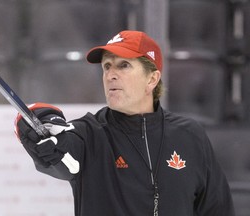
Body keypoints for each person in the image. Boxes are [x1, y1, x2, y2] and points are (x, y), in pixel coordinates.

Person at [15, 30, 235, 216]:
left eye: (123, 66)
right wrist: (39, 124)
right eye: (107, 66)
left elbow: (217, 208)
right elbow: (57, 155)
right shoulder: (88, 133)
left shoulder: (190, 135)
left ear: (152, 79)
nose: (111, 74)